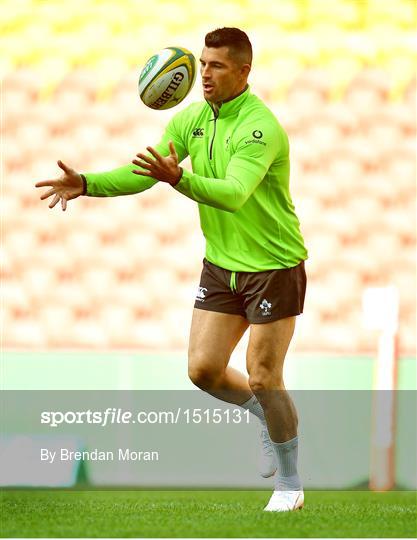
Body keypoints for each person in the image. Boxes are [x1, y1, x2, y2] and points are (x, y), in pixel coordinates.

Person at [36, 27, 308, 512]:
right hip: (221, 265)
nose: (205, 73)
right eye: (202, 63)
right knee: (202, 370)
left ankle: (289, 484)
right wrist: (89, 183)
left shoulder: (260, 128)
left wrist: (179, 178)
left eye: (217, 66)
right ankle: (265, 419)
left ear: (244, 71)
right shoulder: (190, 120)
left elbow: (232, 193)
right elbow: (144, 171)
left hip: (273, 266)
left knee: (264, 376)